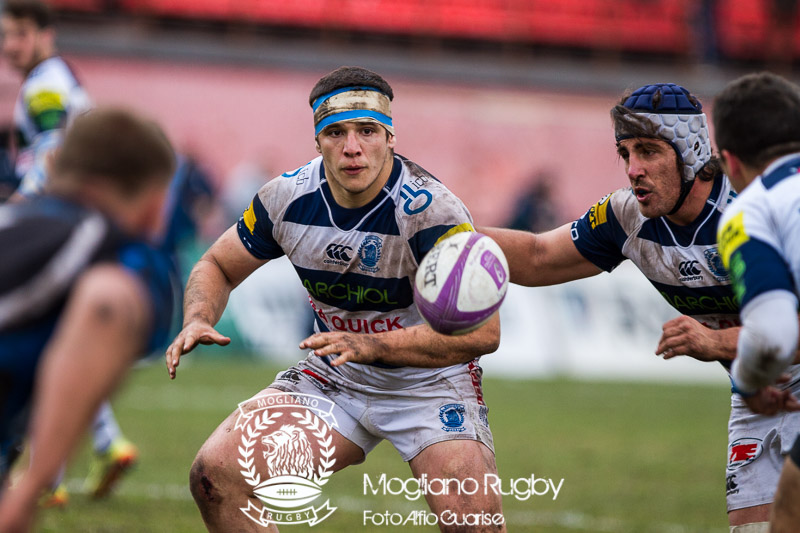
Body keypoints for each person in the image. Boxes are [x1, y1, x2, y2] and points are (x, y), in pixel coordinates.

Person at [166, 66, 504, 532]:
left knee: (473, 524)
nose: (352, 147)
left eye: (367, 131)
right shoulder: (285, 199)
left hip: (430, 384)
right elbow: (216, 265)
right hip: (336, 378)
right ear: (317, 140)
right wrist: (198, 316)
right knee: (215, 476)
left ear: (389, 136)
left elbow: (484, 333)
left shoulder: (432, 210)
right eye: (336, 132)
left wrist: (374, 346)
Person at [480, 82, 800, 532]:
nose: (633, 169)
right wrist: (446, 237)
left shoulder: (752, 207)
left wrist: (717, 341)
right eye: (625, 153)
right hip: (758, 391)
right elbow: (537, 255)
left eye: (649, 151)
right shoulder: (625, 216)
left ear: (690, 152)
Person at [0, 107, 176, 533]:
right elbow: (107, 305)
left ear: (51, 166)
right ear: (154, 203)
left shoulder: (12, 220)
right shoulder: (118, 253)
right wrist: (29, 492)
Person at [1, 0, 142, 503]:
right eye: (4, 36)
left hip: (61, 226)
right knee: (59, 342)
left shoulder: (44, 86)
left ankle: (52, 474)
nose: (9, 46)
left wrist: (17, 211)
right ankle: (94, 452)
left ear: (45, 33)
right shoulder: (60, 78)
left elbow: (50, 153)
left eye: (17, 34)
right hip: (86, 223)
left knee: (42, 344)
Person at [714, 72, 800, 533]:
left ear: (731, 162)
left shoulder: (752, 210)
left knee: (785, 514)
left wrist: (749, 384)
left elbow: (771, 336)